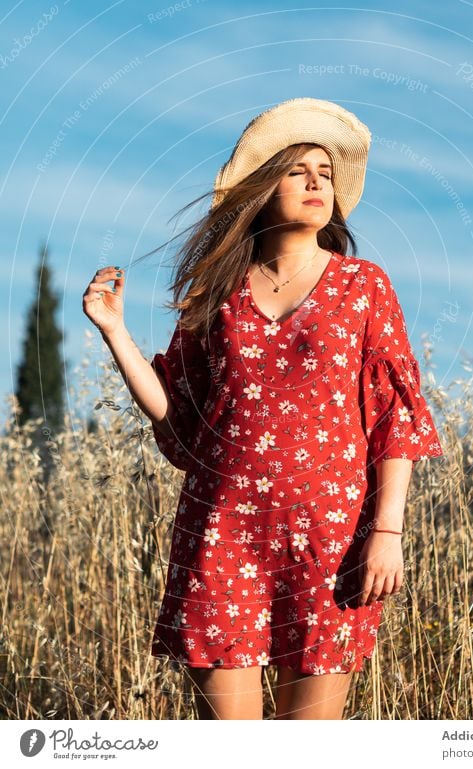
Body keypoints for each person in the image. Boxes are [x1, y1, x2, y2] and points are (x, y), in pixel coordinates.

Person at [82, 97, 444, 720]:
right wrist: (115, 332)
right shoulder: (216, 291)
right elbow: (179, 418)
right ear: (261, 187)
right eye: (297, 170)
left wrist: (388, 531)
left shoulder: (364, 285)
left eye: (325, 174)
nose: (315, 183)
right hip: (222, 533)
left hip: (332, 539)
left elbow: (395, 417)